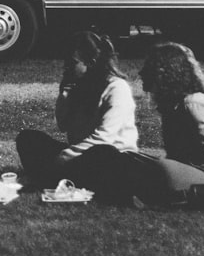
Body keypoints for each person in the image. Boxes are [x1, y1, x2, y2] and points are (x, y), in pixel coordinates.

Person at [119, 42, 204, 207]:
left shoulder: (194, 103)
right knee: (129, 157)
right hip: (200, 173)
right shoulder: (172, 105)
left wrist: (177, 168)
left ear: (166, 72)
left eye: (149, 68)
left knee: (155, 167)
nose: (141, 73)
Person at [15, 31, 138, 189]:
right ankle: (60, 177)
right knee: (28, 139)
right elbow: (63, 125)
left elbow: (104, 138)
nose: (67, 68)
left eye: (72, 63)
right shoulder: (79, 84)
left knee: (102, 154)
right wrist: (64, 95)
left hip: (110, 157)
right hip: (80, 153)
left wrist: (64, 157)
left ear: (91, 63)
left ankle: (54, 176)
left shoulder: (116, 88)